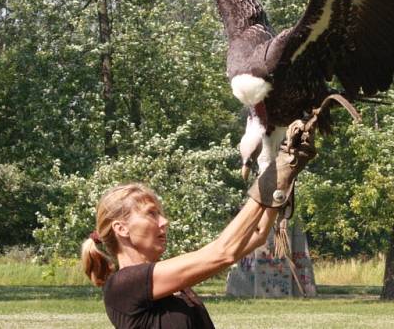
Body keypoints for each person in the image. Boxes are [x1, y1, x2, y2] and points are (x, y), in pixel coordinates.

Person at [81, 124, 316, 328]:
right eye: (151, 214)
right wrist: (276, 171)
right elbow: (222, 253)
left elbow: (257, 234)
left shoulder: (168, 281)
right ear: (121, 228)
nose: (164, 222)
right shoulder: (122, 286)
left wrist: (282, 179)